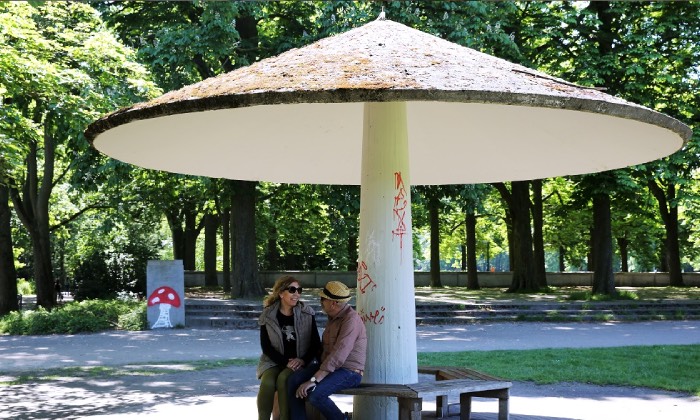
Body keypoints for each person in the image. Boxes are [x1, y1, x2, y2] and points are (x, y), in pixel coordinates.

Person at [288, 281, 367, 420]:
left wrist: (314, 380)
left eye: (322, 299)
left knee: (316, 396)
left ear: (333, 303)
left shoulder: (351, 320)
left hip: (349, 372)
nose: (320, 302)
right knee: (294, 379)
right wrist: (303, 360)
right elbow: (322, 348)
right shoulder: (334, 317)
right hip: (331, 368)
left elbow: (339, 354)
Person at [257, 276, 321, 420]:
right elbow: (266, 347)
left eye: (299, 290)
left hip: (301, 361)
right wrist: (285, 361)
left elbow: (315, 343)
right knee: (267, 382)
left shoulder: (307, 313)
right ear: (281, 293)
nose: (297, 294)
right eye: (292, 290)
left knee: (283, 379)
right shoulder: (267, 315)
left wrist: (303, 360)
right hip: (275, 361)